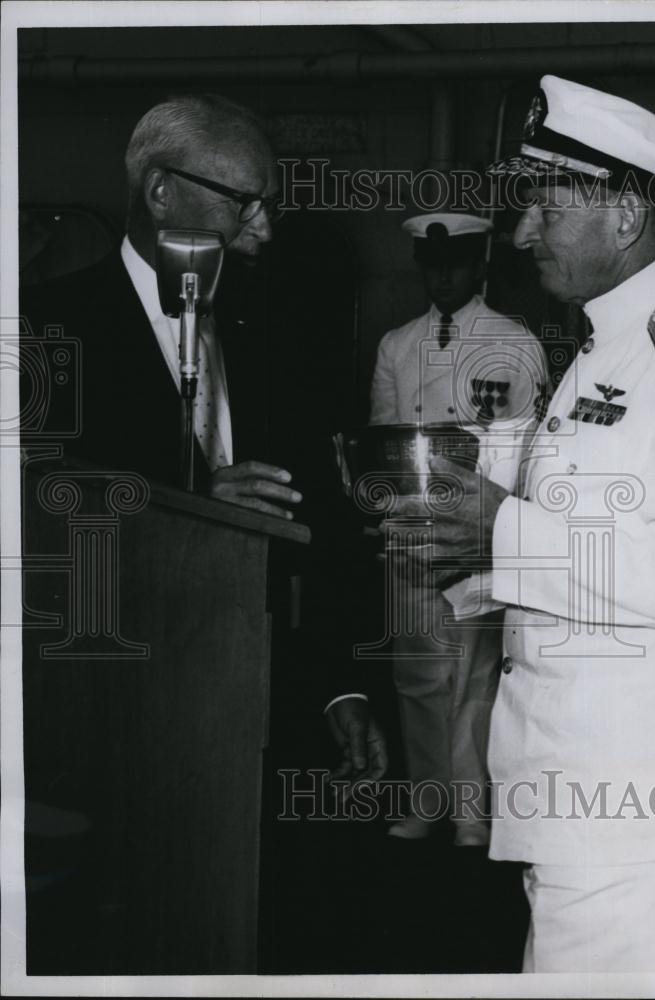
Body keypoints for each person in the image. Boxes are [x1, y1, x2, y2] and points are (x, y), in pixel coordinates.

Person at [393, 75, 655, 971]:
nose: (523, 235)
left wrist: (502, 531)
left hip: (629, 791)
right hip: (587, 776)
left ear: (625, 217)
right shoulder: (610, 345)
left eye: (547, 209)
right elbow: (590, 516)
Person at [20, 93, 386, 782]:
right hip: (91, 716)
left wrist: (341, 688)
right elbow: (34, 529)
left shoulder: (278, 342)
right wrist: (187, 504)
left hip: (254, 724)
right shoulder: (39, 333)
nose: (264, 231)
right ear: (160, 191)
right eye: (241, 203)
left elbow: (320, 527)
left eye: (268, 206)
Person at [370, 212, 548, 845]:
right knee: (418, 674)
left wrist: (497, 519)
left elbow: (523, 441)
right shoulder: (396, 343)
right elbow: (386, 444)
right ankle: (426, 802)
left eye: (455, 264)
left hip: (479, 529)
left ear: (478, 267)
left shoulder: (512, 340)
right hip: (414, 531)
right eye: (432, 264)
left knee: (474, 675)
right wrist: (396, 516)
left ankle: (473, 814)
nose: (442, 276)